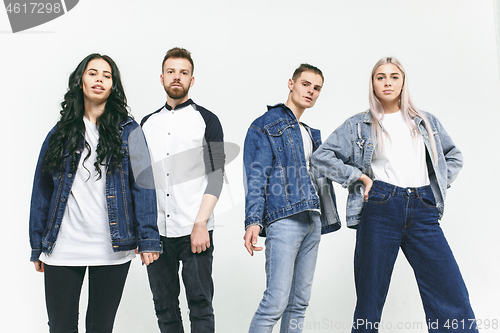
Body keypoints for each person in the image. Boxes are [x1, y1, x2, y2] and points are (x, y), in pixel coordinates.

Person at [312, 57, 478, 332]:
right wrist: (360, 177)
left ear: (403, 82)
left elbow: (453, 156)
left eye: (393, 76)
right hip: (380, 206)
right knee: (370, 299)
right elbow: (322, 157)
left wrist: (436, 183)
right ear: (373, 84)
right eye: (380, 77)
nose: (387, 82)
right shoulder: (358, 125)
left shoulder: (426, 121)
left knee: (449, 291)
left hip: (423, 207)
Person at [29, 53, 162, 333]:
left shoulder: (130, 131)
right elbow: (41, 190)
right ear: (80, 81)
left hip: (111, 247)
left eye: (106, 75)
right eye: (92, 73)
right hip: (63, 245)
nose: (99, 79)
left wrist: (148, 237)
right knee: (61, 327)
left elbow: (145, 184)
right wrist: (37, 245)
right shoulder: (60, 133)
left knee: (100, 328)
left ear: (113, 85)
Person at [243, 64, 341, 333]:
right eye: (305, 84)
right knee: (275, 302)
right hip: (284, 219)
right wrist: (253, 221)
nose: (311, 91)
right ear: (291, 83)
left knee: (299, 303)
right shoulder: (266, 124)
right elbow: (255, 176)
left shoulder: (309, 132)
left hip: (313, 219)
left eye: (317, 88)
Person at [141, 47, 225, 333]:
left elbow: (216, 176)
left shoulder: (208, 120)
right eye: (171, 71)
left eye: (184, 72)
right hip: (157, 234)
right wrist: (145, 233)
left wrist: (201, 224)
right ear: (161, 77)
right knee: (164, 307)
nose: (177, 77)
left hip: (195, 229)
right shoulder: (146, 124)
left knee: (200, 305)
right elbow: (140, 182)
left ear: (192, 79)